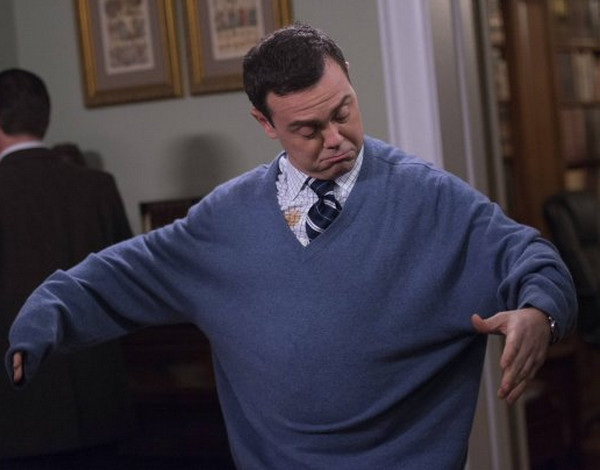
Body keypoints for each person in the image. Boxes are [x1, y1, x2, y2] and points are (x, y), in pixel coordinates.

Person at [5, 25, 576, 468]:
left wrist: (539, 312)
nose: (336, 138)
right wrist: (42, 316)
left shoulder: (430, 199)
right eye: (308, 128)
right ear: (265, 122)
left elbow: (533, 258)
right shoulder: (224, 220)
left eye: (343, 111)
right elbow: (117, 277)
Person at [0, 69, 133, 460]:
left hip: (18, 409)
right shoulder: (98, 187)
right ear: (45, 117)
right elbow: (128, 285)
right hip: (98, 398)